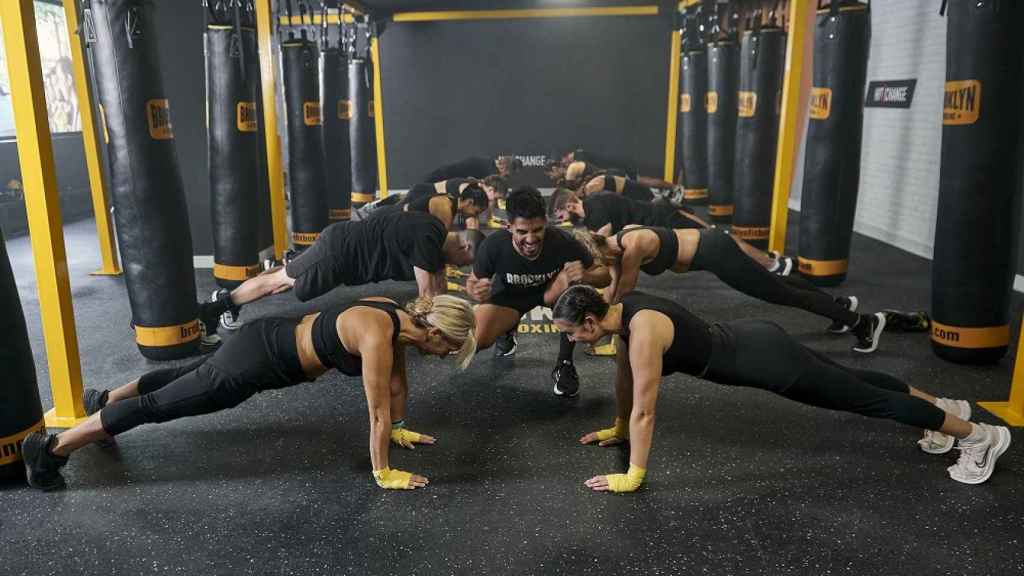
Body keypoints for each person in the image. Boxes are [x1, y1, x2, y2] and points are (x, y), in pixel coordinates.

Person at [551, 285, 1011, 492]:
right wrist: (617, 427)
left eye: (572, 332)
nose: (571, 340)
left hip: (769, 364)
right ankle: (942, 406)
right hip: (755, 337)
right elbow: (626, 380)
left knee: (866, 400)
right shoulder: (625, 311)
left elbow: (647, 411)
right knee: (854, 380)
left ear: (591, 321)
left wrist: (634, 475)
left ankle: (979, 437)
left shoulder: (643, 334)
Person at [21, 295, 478, 492]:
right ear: (434, 330)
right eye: (450, 347)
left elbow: (397, 386)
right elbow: (376, 412)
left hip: (267, 336)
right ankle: (53, 451)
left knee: (187, 376)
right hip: (260, 363)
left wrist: (400, 429)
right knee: (167, 404)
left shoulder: (396, 317)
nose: (445, 355)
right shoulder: (379, 338)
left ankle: (104, 402)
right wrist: (384, 471)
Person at [589, 225, 883, 353]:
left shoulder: (633, 248)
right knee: (780, 284)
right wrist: (595, 303)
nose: (598, 270)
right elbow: (612, 287)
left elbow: (624, 293)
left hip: (717, 254)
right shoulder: (618, 245)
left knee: (781, 294)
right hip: (713, 245)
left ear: (600, 254)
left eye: (594, 265)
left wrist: (601, 321)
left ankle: (862, 323)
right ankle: (838, 307)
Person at [210, 210, 482, 330]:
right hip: (339, 253)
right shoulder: (427, 241)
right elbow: (427, 296)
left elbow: (438, 283)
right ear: (465, 247)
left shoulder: (434, 232)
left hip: (343, 246)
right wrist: (449, 327)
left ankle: (231, 298)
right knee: (282, 282)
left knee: (286, 277)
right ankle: (221, 304)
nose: (457, 266)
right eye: (462, 262)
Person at [465, 186, 610, 396]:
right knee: (476, 340)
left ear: (546, 224)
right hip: (510, 297)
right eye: (522, 232)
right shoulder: (493, 246)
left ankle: (565, 364)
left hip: (550, 293)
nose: (531, 239)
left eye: (537, 230)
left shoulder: (562, 241)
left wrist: (586, 276)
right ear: (509, 226)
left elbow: (605, 275)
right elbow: (473, 281)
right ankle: (507, 331)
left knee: (570, 284)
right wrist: (475, 292)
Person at [424, 155, 522, 182]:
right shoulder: (491, 172)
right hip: (439, 178)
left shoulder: (490, 163)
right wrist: (490, 219)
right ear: (504, 168)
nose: (505, 178)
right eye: (507, 175)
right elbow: (491, 196)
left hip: (442, 174)